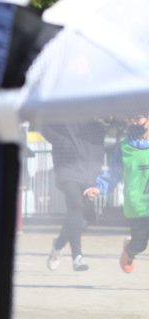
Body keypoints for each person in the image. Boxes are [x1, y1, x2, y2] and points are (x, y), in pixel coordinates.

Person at [86, 114, 149, 273]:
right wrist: (99, 188)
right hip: (137, 207)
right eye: (131, 118)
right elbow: (113, 174)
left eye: (138, 118)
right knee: (140, 245)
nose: (134, 122)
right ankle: (130, 249)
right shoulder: (123, 147)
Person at [42, 121, 106, 271]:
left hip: (87, 174)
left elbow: (98, 152)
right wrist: (63, 143)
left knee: (83, 219)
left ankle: (58, 244)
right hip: (67, 169)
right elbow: (42, 125)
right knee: (75, 206)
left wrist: (94, 179)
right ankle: (77, 257)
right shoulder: (66, 109)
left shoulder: (98, 121)